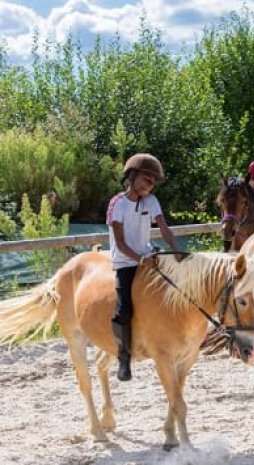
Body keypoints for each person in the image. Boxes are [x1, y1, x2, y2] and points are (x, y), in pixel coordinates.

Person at [106, 153, 181, 381]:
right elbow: (120, 243)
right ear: (132, 176)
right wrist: (139, 259)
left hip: (149, 255)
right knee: (123, 310)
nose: (150, 185)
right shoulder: (117, 204)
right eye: (146, 179)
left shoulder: (151, 201)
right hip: (126, 262)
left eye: (153, 181)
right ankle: (123, 357)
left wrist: (177, 249)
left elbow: (164, 228)